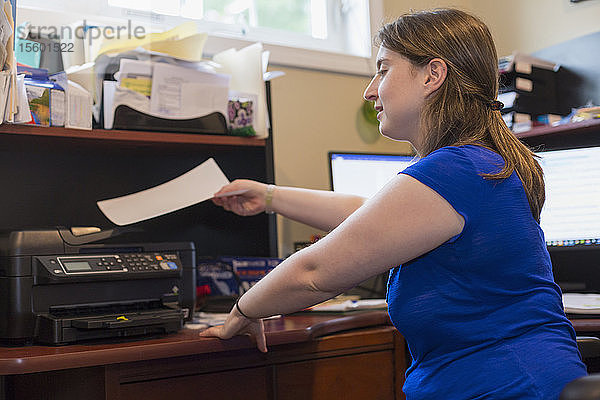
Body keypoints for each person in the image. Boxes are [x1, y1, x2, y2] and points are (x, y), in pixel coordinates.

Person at [200, 8, 587, 399]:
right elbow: (363, 215)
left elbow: (314, 272)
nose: (370, 90)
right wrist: (269, 196)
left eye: (383, 69)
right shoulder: (480, 163)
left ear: (432, 75)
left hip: (509, 386)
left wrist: (244, 311)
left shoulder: (456, 168)